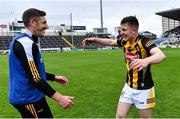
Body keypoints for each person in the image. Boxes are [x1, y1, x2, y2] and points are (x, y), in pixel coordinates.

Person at [82, 16, 165, 118]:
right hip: (128, 87)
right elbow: (111, 42)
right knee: (120, 116)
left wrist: (145, 61)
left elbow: (160, 55)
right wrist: (94, 39)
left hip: (144, 89)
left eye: (124, 30)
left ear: (134, 31)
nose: (121, 32)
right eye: (121, 29)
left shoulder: (144, 41)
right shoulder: (124, 40)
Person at [8, 8, 74, 118]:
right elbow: (35, 77)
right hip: (28, 98)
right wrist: (60, 98)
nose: (47, 26)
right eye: (44, 22)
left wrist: (53, 77)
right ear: (33, 22)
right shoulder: (26, 43)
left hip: (31, 96)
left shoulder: (24, 41)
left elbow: (31, 71)